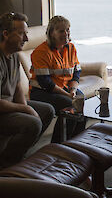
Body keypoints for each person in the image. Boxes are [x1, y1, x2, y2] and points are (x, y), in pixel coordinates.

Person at [0, 12, 55, 171]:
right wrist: (26, 109)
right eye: (21, 34)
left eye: (26, 34)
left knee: (47, 110)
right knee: (32, 123)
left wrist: (24, 106)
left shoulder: (13, 55)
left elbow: (17, 86)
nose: (26, 39)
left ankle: (19, 155)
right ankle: (4, 167)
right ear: (6, 34)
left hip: (4, 107)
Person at [29, 15, 86, 143]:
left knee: (80, 101)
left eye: (67, 30)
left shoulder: (71, 48)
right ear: (51, 33)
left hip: (64, 87)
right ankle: (57, 144)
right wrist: (68, 95)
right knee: (69, 104)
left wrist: (73, 90)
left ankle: (75, 143)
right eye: (61, 31)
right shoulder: (41, 52)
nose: (65, 33)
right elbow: (45, 82)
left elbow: (76, 72)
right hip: (42, 92)